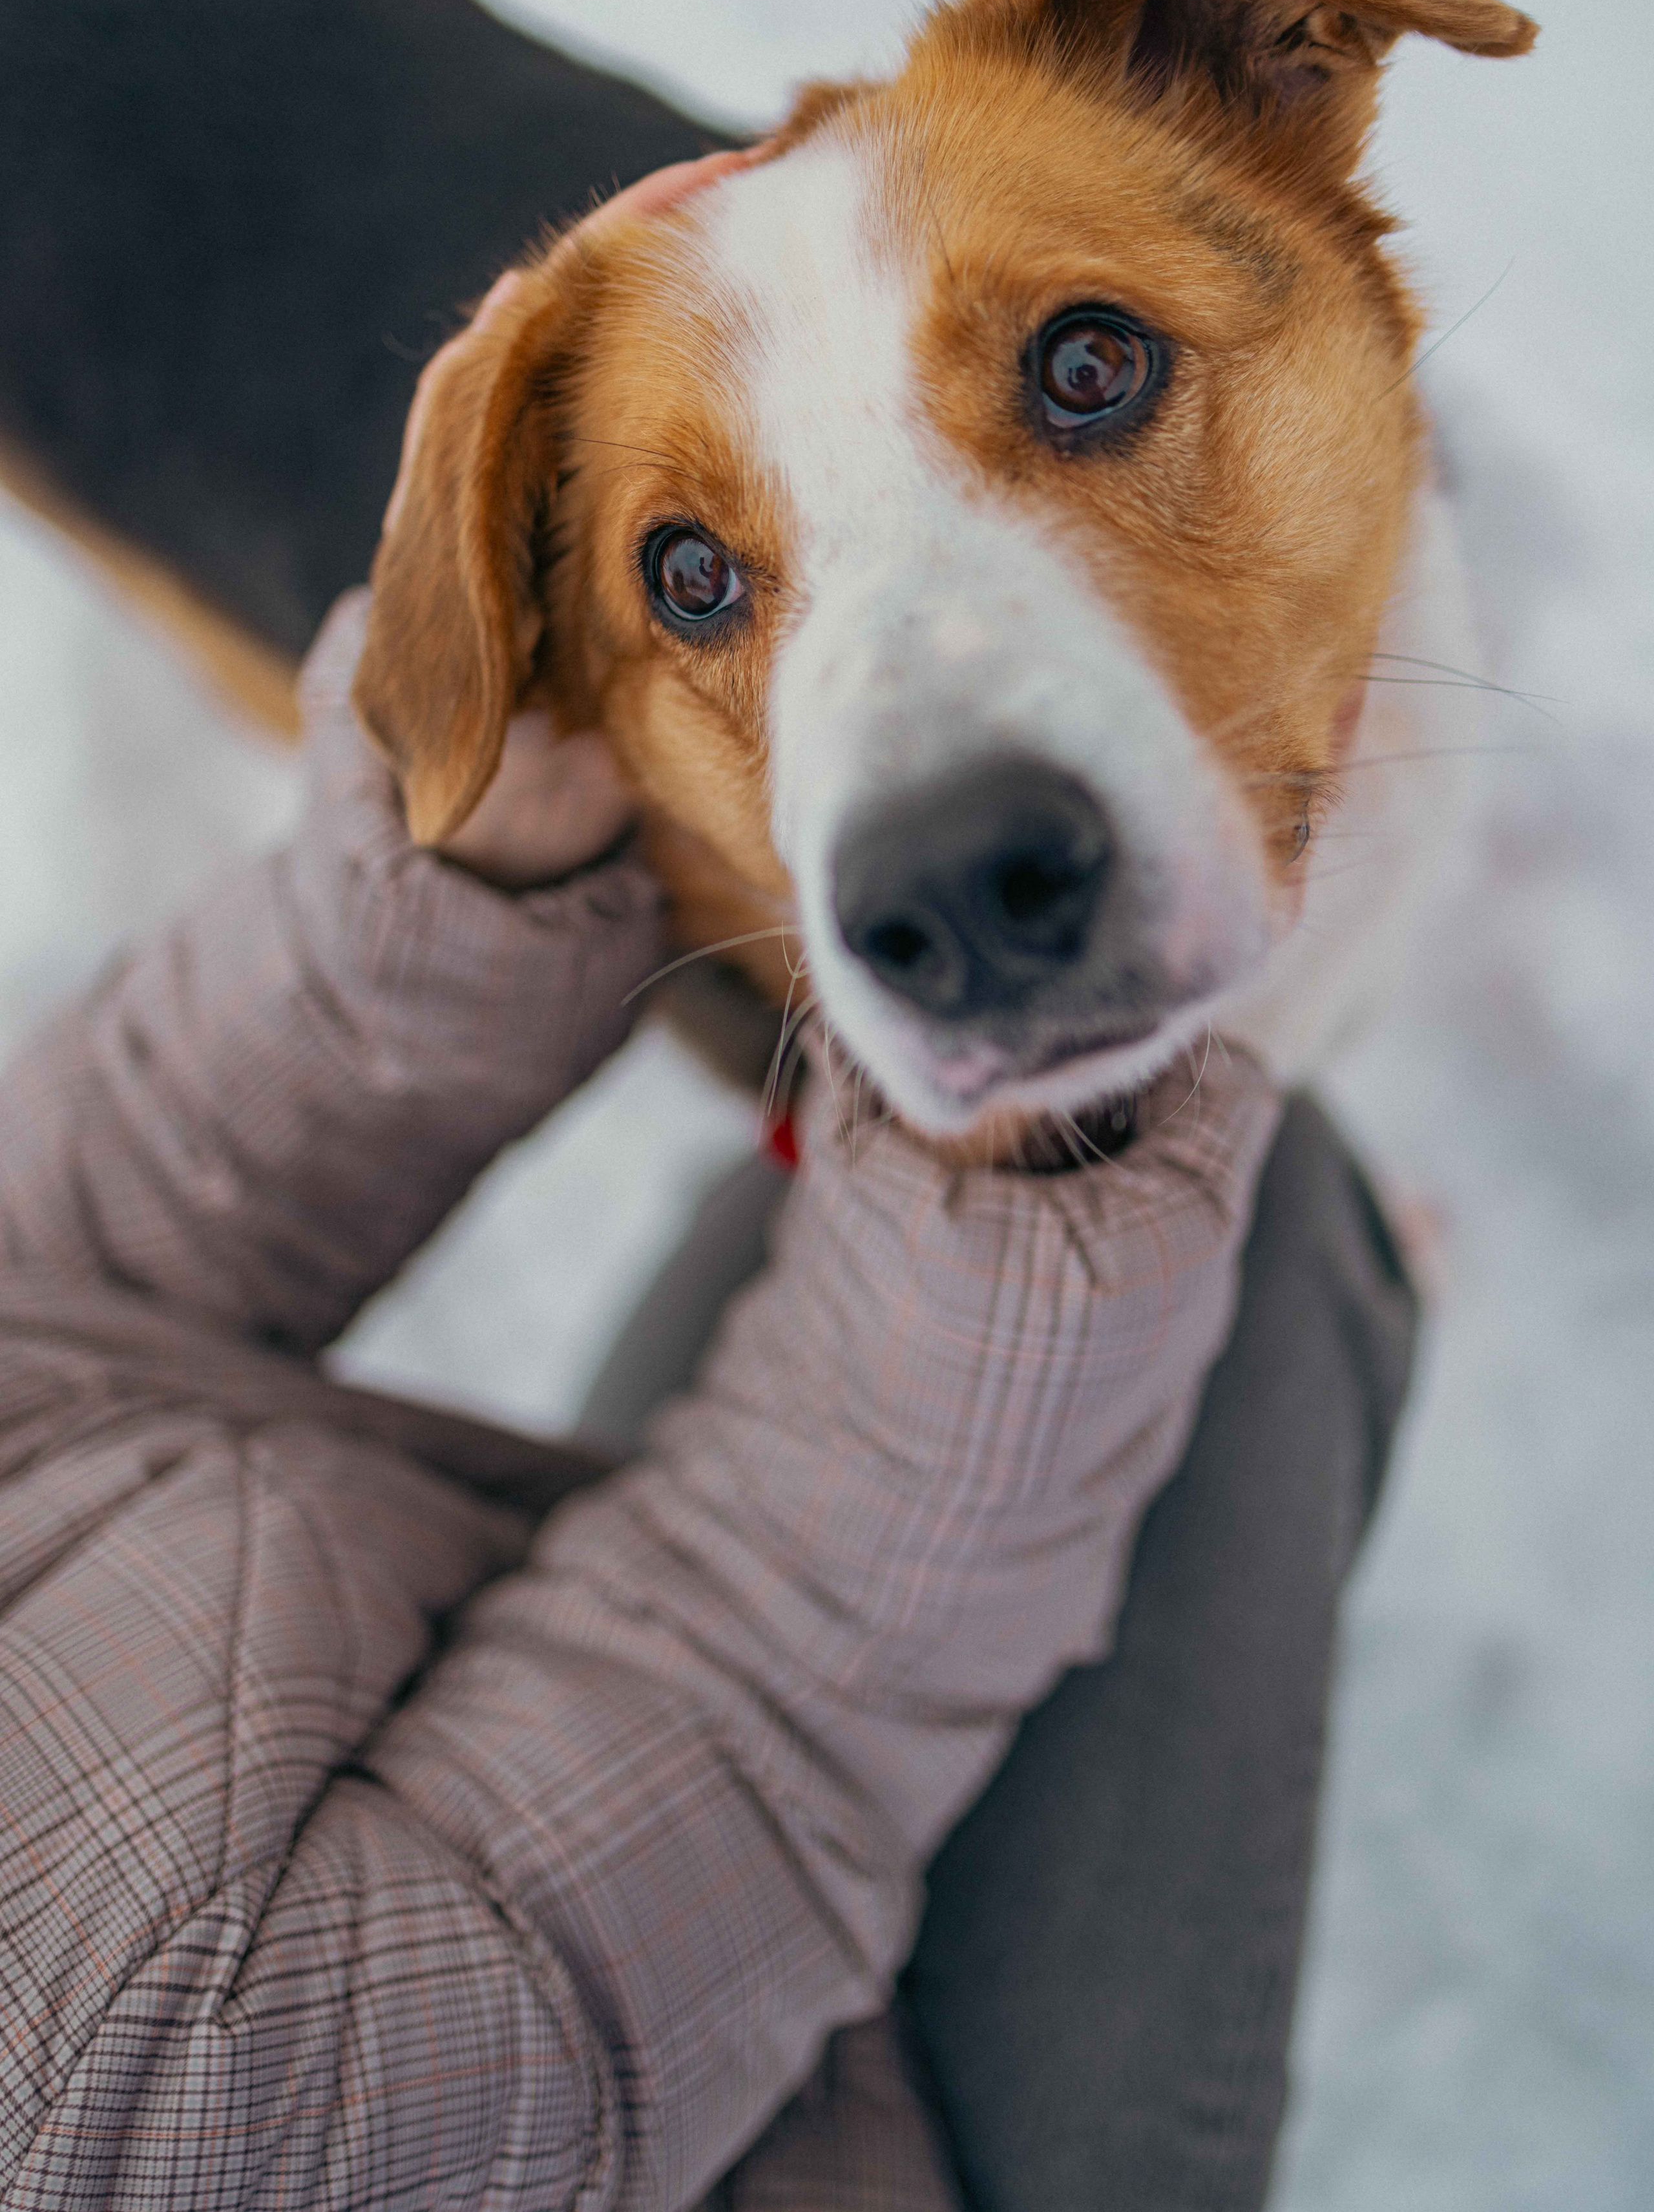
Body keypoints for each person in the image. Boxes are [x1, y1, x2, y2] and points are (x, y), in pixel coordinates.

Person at [0, 161, 1415, 2212]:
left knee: (886, 1227)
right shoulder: (134, 2126)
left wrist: (454, 866)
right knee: (1238, 1219)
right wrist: (1031, 1142)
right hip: (848, 2124)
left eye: (1090, 374)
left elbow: (49, 1289)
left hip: (402, 1682)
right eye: (691, 584)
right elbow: (769, 1683)